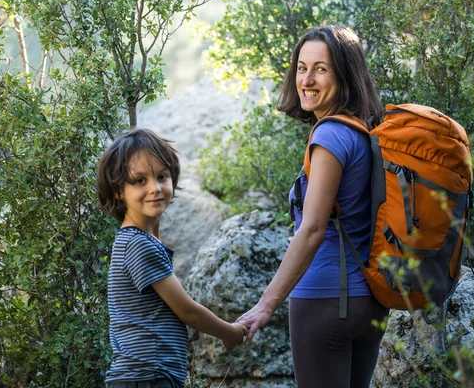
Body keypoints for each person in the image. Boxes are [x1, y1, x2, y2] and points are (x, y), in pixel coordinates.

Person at [236, 24, 389, 387]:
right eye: (302, 68)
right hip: (370, 302)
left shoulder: (329, 136)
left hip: (325, 302)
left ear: (345, 74)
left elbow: (313, 229)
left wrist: (266, 305)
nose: (307, 79)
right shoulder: (364, 130)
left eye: (321, 69)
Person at [97, 128, 247, 388]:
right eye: (139, 180)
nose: (154, 188)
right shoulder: (138, 245)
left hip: (144, 376)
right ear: (118, 191)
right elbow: (187, 311)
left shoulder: (137, 240)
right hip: (147, 376)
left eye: (162, 176)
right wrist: (229, 332)